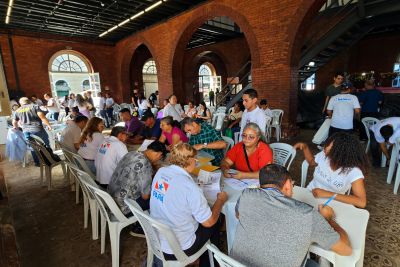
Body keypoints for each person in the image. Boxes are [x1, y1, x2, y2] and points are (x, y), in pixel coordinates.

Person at [231, 164, 352, 267]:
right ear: (288, 184)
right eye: (292, 185)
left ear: (260, 184)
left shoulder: (246, 195)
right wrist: (329, 218)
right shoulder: (307, 214)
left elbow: (238, 215)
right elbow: (346, 249)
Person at [150, 143, 228, 267]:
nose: (196, 163)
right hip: (180, 247)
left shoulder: (161, 171)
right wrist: (220, 200)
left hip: (157, 238)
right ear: (189, 160)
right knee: (216, 220)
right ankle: (209, 263)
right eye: (195, 160)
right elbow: (209, 222)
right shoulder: (189, 186)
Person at [294, 132, 368, 208]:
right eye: (328, 144)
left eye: (332, 148)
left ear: (343, 153)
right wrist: (305, 147)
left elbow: (361, 202)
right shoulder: (324, 155)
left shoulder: (353, 171)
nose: (326, 148)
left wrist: (328, 194)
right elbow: (311, 162)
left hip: (332, 203)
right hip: (310, 194)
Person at [108, 141, 167, 215]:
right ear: (159, 154)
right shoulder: (146, 164)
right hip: (123, 206)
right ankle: (144, 223)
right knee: (159, 200)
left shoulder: (131, 153)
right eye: (159, 158)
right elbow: (145, 196)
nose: (157, 161)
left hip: (111, 199)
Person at [12, 97, 52, 166]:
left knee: (33, 147)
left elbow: (14, 122)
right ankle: (49, 160)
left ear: (20, 103)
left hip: (26, 131)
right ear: (29, 101)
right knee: (45, 144)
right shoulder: (34, 107)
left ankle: (38, 162)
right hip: (38, 129)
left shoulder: (17, 110)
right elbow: (41, 116)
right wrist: (48, 125)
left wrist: (17, 129)